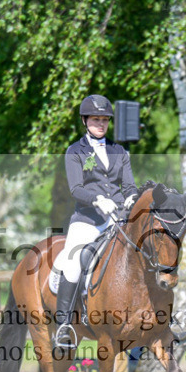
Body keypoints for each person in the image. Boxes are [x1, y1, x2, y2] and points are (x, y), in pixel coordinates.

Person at [51, 95, 138, 351]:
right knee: (74, 260)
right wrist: (98, 199)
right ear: (85, 121)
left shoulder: (119, 151)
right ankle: (64, 324)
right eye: (96, 119)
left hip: (116, 219)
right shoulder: (75, 151)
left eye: (104, 120)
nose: (101, 124)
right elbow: (76, 188)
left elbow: (129, 184)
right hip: (88, 220)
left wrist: (132, 197)